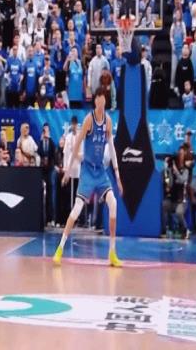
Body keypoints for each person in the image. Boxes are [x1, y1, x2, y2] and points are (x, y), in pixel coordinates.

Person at [53, 87, 123, 267]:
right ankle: (60, 248)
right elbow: (76, 145)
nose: (102, 101)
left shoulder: (108, 121)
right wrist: (68, 170)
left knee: (113, 203)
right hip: (87, 171)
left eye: (104, 98)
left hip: (101, 171)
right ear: (95, 101)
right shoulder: (88, 120)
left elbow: (112, 149)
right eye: (99, 98)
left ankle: (112, 253)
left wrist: (117, 175)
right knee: (76, 209)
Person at [38, 123, 57, 227]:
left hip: (50, 170)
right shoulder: (41, 142)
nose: (45, 132)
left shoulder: (51, 142)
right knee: (42, 194)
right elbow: (39, 152)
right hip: (42, 170)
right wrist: (41, 140)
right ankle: (43, 219)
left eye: (47, 130)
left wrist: (49, 138)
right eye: (44, 130)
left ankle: (51, 218)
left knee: (50, 195)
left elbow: (54, 152)